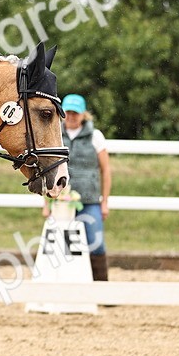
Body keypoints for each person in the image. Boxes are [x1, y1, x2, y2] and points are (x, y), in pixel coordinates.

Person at [50, 93, 112, 280]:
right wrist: (46, 204)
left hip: (89, 199)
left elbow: (106, 170)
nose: (71, 116)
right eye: (68, 112)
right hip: (61, 201)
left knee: (95, 241)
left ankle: (101, 286)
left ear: (83, 115)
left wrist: (105, 201)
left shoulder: (96, 136)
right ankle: (66, 283)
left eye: (75, 113)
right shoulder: (54, 134)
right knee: (62, 244)